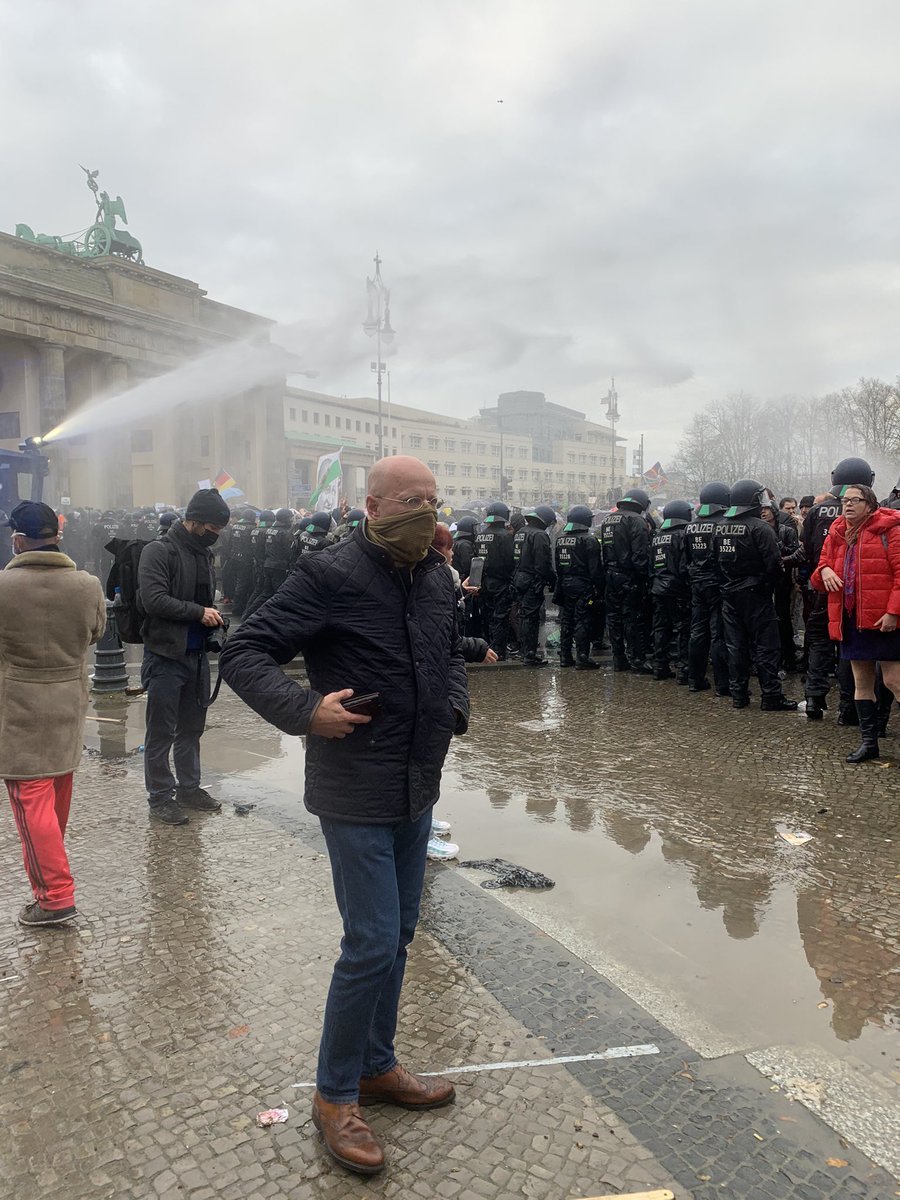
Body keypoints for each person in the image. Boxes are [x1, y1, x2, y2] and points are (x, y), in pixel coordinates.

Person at [220, 456, 468, 1177]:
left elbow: (450, 654)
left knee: (401, 935)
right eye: (411, 501)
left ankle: (376, 1065)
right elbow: (245, 650)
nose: (427, 510)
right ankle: (335, 1094)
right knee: (370, 940)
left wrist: (453, 707)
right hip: (354, 785)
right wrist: (305, 711)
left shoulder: (435, 576)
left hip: (417, 782)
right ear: (375, 503)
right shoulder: (331, 572)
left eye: (434, 499)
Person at [0, 501, 105, 926]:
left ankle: (55, 896)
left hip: (18, 707)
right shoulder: (88, 584)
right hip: (67, 702)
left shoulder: (3, 587)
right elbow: (96, 634)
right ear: (57, 536)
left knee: (30, 802)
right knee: (56, 795)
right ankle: (50, 881)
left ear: (18, 540)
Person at [138, 488, 230, 825]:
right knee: (161, 731)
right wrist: (198, 613)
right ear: (195, 521)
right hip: (165, 655)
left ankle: (189, 788)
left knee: (192, 728)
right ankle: (160, 797)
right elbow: (154, 600)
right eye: (213, 529)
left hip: (196, 657)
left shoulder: (203, 555)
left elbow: (205, 601)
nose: (215, 536)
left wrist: (214, 616)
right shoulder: (158, 551)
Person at [811, 484, 900, 762]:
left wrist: (894, 612)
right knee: (862, 682)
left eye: (855, 500)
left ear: (870, 505)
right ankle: (869, 743)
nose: (847, 505)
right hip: (850, 618)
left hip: (883, 618)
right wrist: (824, 570)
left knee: (894, 680)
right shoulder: (837, 532)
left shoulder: (891, 530)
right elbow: (818, 574)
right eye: (844, 501)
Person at [801, 458, 874, 722]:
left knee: (819, 645)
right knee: (847, 648)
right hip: (853, 593)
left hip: (822, 588)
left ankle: (813, 698)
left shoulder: (816, 512)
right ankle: (847, 708)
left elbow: (808, 551)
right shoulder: (868, 513)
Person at [715, 479, 797, 711]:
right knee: (767, 647)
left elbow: (714, 563)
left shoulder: (720, 526)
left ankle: (739, 695)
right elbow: (774, 565)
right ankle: (771, 696)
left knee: (736, 646)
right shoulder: (761, 528)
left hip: (730, 595)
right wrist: (768, 584)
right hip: (758, 596)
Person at [598, 488, 652, 672]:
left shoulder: (607, 520)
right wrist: (644, 577)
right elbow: (640, 553)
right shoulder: (636, 520)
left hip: (611, 574)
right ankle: (637, 659)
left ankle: (619, 658)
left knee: (613, 618)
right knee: (632, 618)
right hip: (630, 576)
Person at [684, 482, 730, 695]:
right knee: (718, 633)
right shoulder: (722, 523)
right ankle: (723, 684)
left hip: (697, 584)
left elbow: (687, 558)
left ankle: (695, 679)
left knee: (697, 633)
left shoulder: (691, 525)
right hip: (718, 584)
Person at [553, 505, 603, 669]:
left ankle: (565, 656)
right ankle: (582, 657)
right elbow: (595, 570)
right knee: (583, 620)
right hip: (583, 585)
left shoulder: (561, 540)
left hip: (565, 584)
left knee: (567, 621)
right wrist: (600, 589)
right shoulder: (588, 540)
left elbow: (558, 566)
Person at [649, 500, 692, 683]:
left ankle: (660, 667)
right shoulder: (683, 535)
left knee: (661, 628)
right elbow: (684, 566)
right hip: (678, 589)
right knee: (683, 629)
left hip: (659, 588)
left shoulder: (658, 536)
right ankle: (684, 670)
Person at [512, 505, 556, 667]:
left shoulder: (520, 533)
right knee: (531, 618)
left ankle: (525, 650)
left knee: (523, 615)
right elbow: (543, 563)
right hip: (532, 580)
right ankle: (530, 654)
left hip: (519, 578)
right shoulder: (539, 535)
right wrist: (552, 580)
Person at [474, 501, 515, 660]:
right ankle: (498, 652)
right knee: (500, 618)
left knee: (488, 616)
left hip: (485, 582)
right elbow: (510, 560)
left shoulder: (481, 535)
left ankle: (489, 648)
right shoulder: (505, 536)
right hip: (501, 582)